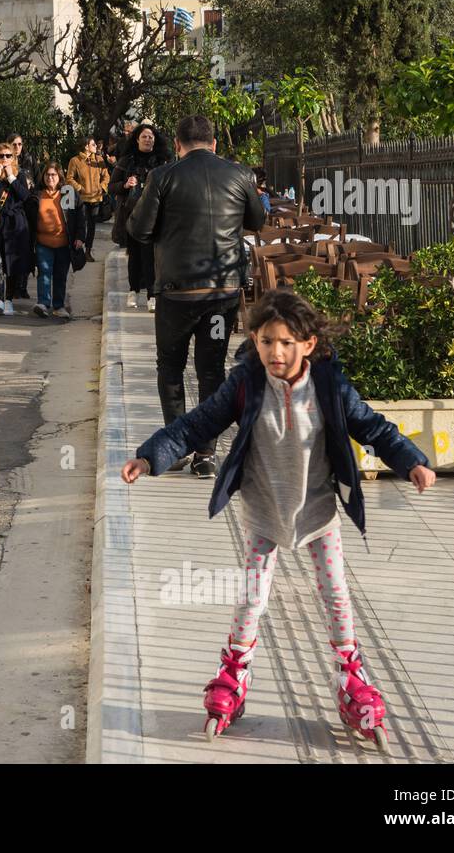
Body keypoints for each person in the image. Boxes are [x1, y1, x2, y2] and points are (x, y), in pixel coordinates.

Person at [121, 288, 436, 745]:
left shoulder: (329, 385)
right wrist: (150, 457)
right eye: (267, 341)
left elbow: (373, 426)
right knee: (252, 597)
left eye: (287, 342)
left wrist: (411, 462)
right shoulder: (246, 383)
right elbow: (196, 424)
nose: (276, 352)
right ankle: (234, 671)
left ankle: (350, 674)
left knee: (336, 595)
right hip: (264, 511)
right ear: (254, 340)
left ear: (308, 344)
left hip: (317, 511)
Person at [129, 114, 267, 478]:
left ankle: (176, 448)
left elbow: (139, 230)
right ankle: (206, 454)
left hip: (177, 292)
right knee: (211, 371)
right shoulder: (239, 174)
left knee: (171, 368)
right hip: (221, 291)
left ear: (177, 144)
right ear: (215, 143)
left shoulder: (162, 177)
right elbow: (257, 220)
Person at [113, 122, 173, 311]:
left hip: (155, 216)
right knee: (134, 256)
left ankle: (151, 295)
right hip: (132, 215)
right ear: (137, 139)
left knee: (150, 257)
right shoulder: (127, 161)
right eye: (144, 136)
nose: (148, 139)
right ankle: (133, 291)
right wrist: (125, 184)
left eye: (151, 137)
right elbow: (111, 186)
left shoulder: (162, 162)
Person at [26, 162, 85, 319]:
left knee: (60, 274)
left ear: (59, 177)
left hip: (64, 243)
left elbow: (78, 216)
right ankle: (43, 303)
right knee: (44, 272)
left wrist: (80, 237)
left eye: (53, 175)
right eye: (47, 175)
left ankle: (58, 306)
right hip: (42, 242)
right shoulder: (37, 194)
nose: (50, 178)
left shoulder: (67, 193)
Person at [0, 142, 31, 316]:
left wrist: (11, 178)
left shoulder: (20, 175)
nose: (5, 159)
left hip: (13, 224)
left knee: (11, 262)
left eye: (8, 156)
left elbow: (25, 196)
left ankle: (8, 299)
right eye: (1, 156)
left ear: (14, 157)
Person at [65, 136, 111, 263]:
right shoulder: (75, 161)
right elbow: (69, 179)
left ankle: (88, 251)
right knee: (81, 225)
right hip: (81, 199)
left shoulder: (99, 159)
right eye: (93, 144)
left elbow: (106, 176)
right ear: (86, 146)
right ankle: (76, 249)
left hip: (96, 198)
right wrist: (80, 188)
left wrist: (102, 187)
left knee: (92, 226)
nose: (96, 147)